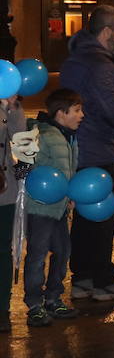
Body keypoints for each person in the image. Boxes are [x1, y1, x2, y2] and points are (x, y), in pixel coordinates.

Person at [61, 5, 114, 302]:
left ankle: (82, 279)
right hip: (96, 148)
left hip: (76, 148)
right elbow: (112, 109)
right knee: (103, 216)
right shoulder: (101, 65)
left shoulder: (73, 60)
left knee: (83, 217)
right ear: (106, 32)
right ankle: (105, 279)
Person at [18, 89, 83, 327]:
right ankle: (34, 304)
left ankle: (53, 298)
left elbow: (70, 170)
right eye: (76, 110)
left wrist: (71, 192)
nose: (81, 115)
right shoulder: (35, 130)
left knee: (63, 252)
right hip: (39, 208)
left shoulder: (69, 136)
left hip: (60, 207)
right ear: (61, 113)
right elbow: (21, 170)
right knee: (37, 255)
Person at [0, 94, 25, 331]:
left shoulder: (8, 106)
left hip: (4, 189)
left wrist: (13, 106)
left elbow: (24, 144)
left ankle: (1, 309)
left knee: (3, 250)